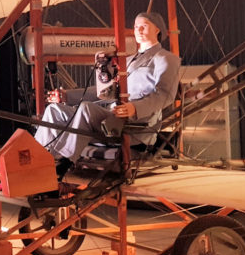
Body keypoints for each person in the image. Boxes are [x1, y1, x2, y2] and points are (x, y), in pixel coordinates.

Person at [34, 11, 180, 178]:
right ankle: (38, 158)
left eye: (144, 26)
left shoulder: (166, 59)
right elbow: (104, 92)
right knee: (54, 110)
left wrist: (135, 108)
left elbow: (164, 95)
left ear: (157, 30)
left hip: (136, 123)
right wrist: (66, 96)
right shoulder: (130, 60)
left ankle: (63, 163)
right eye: (135, 27)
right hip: (112, 116)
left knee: (85, 109)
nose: (138, 30)